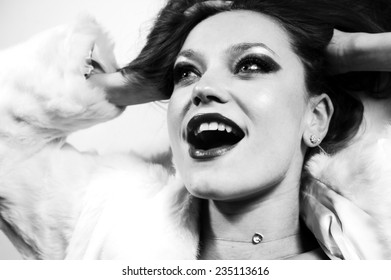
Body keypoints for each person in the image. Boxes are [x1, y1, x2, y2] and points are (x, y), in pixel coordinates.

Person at [0, 0, 390, 259]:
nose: (201, 88)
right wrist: (123, 84)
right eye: (186, 73)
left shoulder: (372, 249)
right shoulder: (106, 218)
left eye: (251, 65)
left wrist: (357, 49)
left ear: (316, 118)